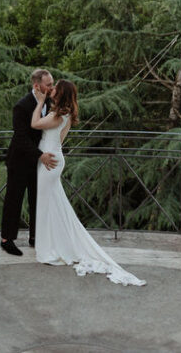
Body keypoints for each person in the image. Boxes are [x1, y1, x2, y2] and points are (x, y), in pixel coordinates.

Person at [30, 80, 146, 286]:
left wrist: (39, 102)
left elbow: (35, 124)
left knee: (48, 204)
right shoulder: (63, 114)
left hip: (50, 161)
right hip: (53, 157)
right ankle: (54, 245)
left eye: (55, 87)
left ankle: (53, 248)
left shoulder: (57, 116)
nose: (52, 89)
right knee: (53, 204)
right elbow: (58, 140)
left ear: (61, 92)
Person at [0, 69, 58, 256]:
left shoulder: (50, 102)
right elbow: (20, 138)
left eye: (52, 83)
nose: (51, 87)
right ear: (36, 85)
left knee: (37, 199)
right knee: (14, 200)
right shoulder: (22, 106)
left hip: (39, 162)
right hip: (19, 160)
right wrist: (40, 155)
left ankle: (35, 237)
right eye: (48, 84)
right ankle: (7, 240)